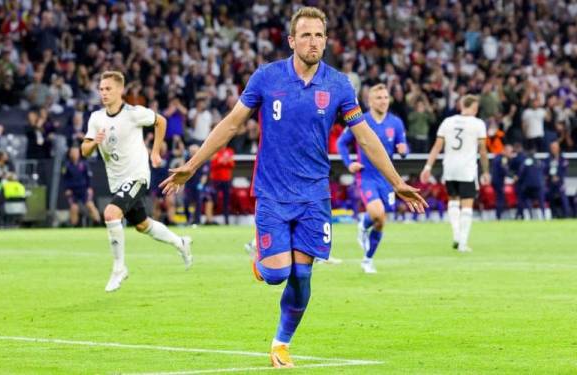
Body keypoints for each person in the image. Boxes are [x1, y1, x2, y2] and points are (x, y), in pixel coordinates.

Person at [160, 7, 426, 368]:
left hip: (315, 196)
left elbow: (364, 137)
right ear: (291, 41)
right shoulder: (267, 78)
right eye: (306, 35)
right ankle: (261, 261)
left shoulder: (338, 85)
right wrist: (192, 165)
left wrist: (397, 182)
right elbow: (231, 124)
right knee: (277, 274)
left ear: (326, 40)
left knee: (302, 275)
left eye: (319, 35)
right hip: (272, 193)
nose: (313, 41)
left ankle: (280, 344)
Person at [81, 71, 193, 293]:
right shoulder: (96, 118)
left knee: (111, 214)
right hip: (117, 180)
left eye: (108, 89)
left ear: (120, 90)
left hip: (137, 175)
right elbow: (84, 150)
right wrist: (95, 143)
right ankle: (181, 243)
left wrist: (155, 151)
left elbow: (161, 121)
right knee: (142, 225)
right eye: (101, 89)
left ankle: (119, 268)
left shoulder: (133, 114)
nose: (103, 93)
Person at [336, 84, 408, 274]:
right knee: (378, 212)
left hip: (387, 179)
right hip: (367, 175)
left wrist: (403, 151)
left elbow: (403, 145)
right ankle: (365, 232)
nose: (383, 101)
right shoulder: (360, 121)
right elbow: (341, 143)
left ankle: (367, 257)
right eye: (379, 98)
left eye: (386, 97)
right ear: (369, 101)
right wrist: (349, 163)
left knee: (380, 221)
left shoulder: (396, 123)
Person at [420, 95, 490, 252]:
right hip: (467, 169)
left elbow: (437, 147)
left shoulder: (448, 122)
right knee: (467, 204)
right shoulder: (478, 124)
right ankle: (463, 243)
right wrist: (485, 171)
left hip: (450, 168)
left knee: (453, 201)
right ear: (472, 107)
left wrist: (427, 167)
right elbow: (483, 151)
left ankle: (457, 235)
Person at [62, 145, 101, 226]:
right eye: (73, 152)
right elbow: (64, 179)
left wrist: (89, 187)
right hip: (72, 191)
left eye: (76, 152)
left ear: (79, 153)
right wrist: (66, 189)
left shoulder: (84, 164)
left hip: (84, 189)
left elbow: (89, 177)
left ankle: (98, 223)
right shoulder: (66, 165)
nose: (74, 154)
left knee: (90, 205)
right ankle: (74, 226)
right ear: (70, 154)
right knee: (74, 208)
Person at [544, 141, 571, 218]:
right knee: (551, 199)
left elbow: (564, 170)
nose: (553, 149)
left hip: (560, 183)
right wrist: (549, 177)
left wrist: (559, 177)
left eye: (555, 147)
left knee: (563, 199)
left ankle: (567, 215)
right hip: (550, 183)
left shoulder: (562, 158)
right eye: (552, 147)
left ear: (558, 148)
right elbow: (545, 169)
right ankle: (554, 215)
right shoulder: (548, 159)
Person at [491, 144, 514, 219]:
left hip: (495, 180)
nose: (511, 154)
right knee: (500, 198)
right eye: (510, 152)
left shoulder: (497, 157)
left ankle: (500, 214)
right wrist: (512, 176)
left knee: (500, 198)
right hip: (498, 181)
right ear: (505, 151)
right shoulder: (503, 159)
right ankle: (499, 216)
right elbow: (504, 170)